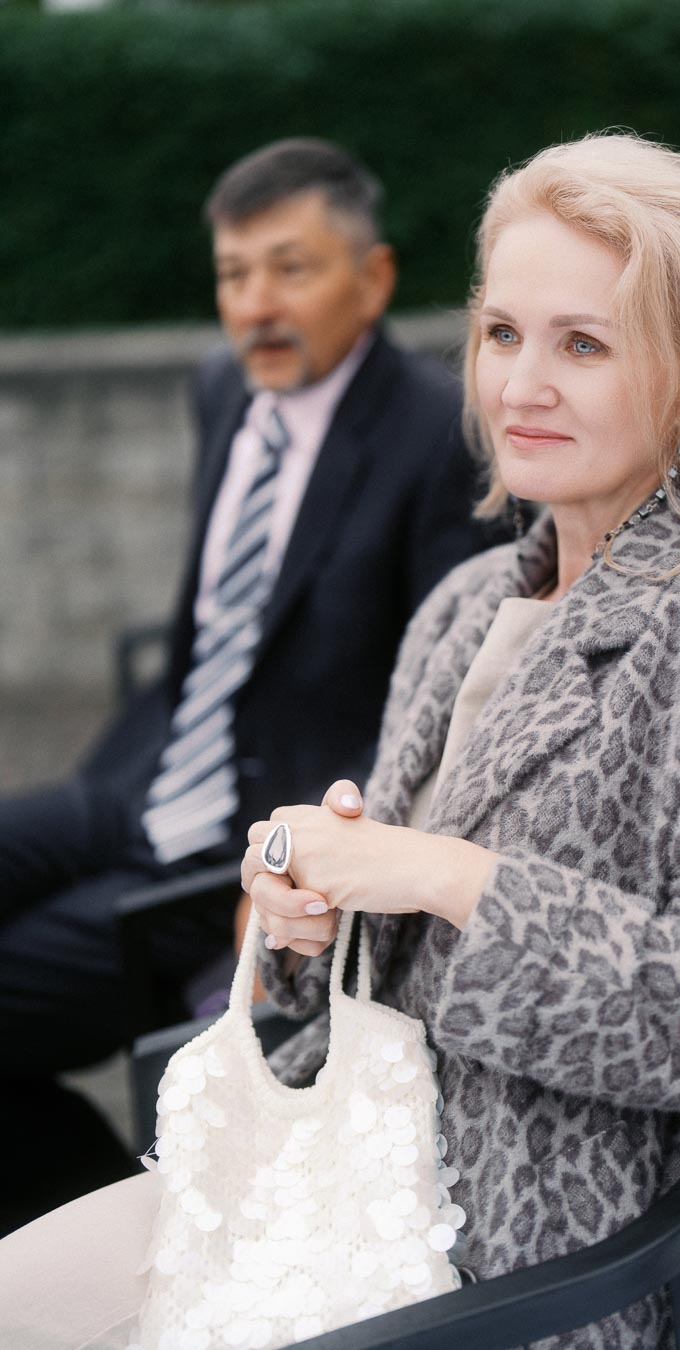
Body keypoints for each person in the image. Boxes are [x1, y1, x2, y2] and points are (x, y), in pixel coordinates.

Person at [0, 131, 680, 1350]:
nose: (521, 384)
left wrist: (442, 874)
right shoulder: (467, 606)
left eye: (584, 343)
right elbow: (360, 967)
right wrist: (302, 913)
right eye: (500, 333)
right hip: (332, 1168)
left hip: (522, 1243)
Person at [0, 138, 491, 1233]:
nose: (255, 304)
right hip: (132, 779)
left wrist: (295, 859)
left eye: (291, 268)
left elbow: (443, 703)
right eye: (233, 274)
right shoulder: (222, 387)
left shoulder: (436, 437)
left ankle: (106, 1226)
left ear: (372, 278)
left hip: (238, 848)